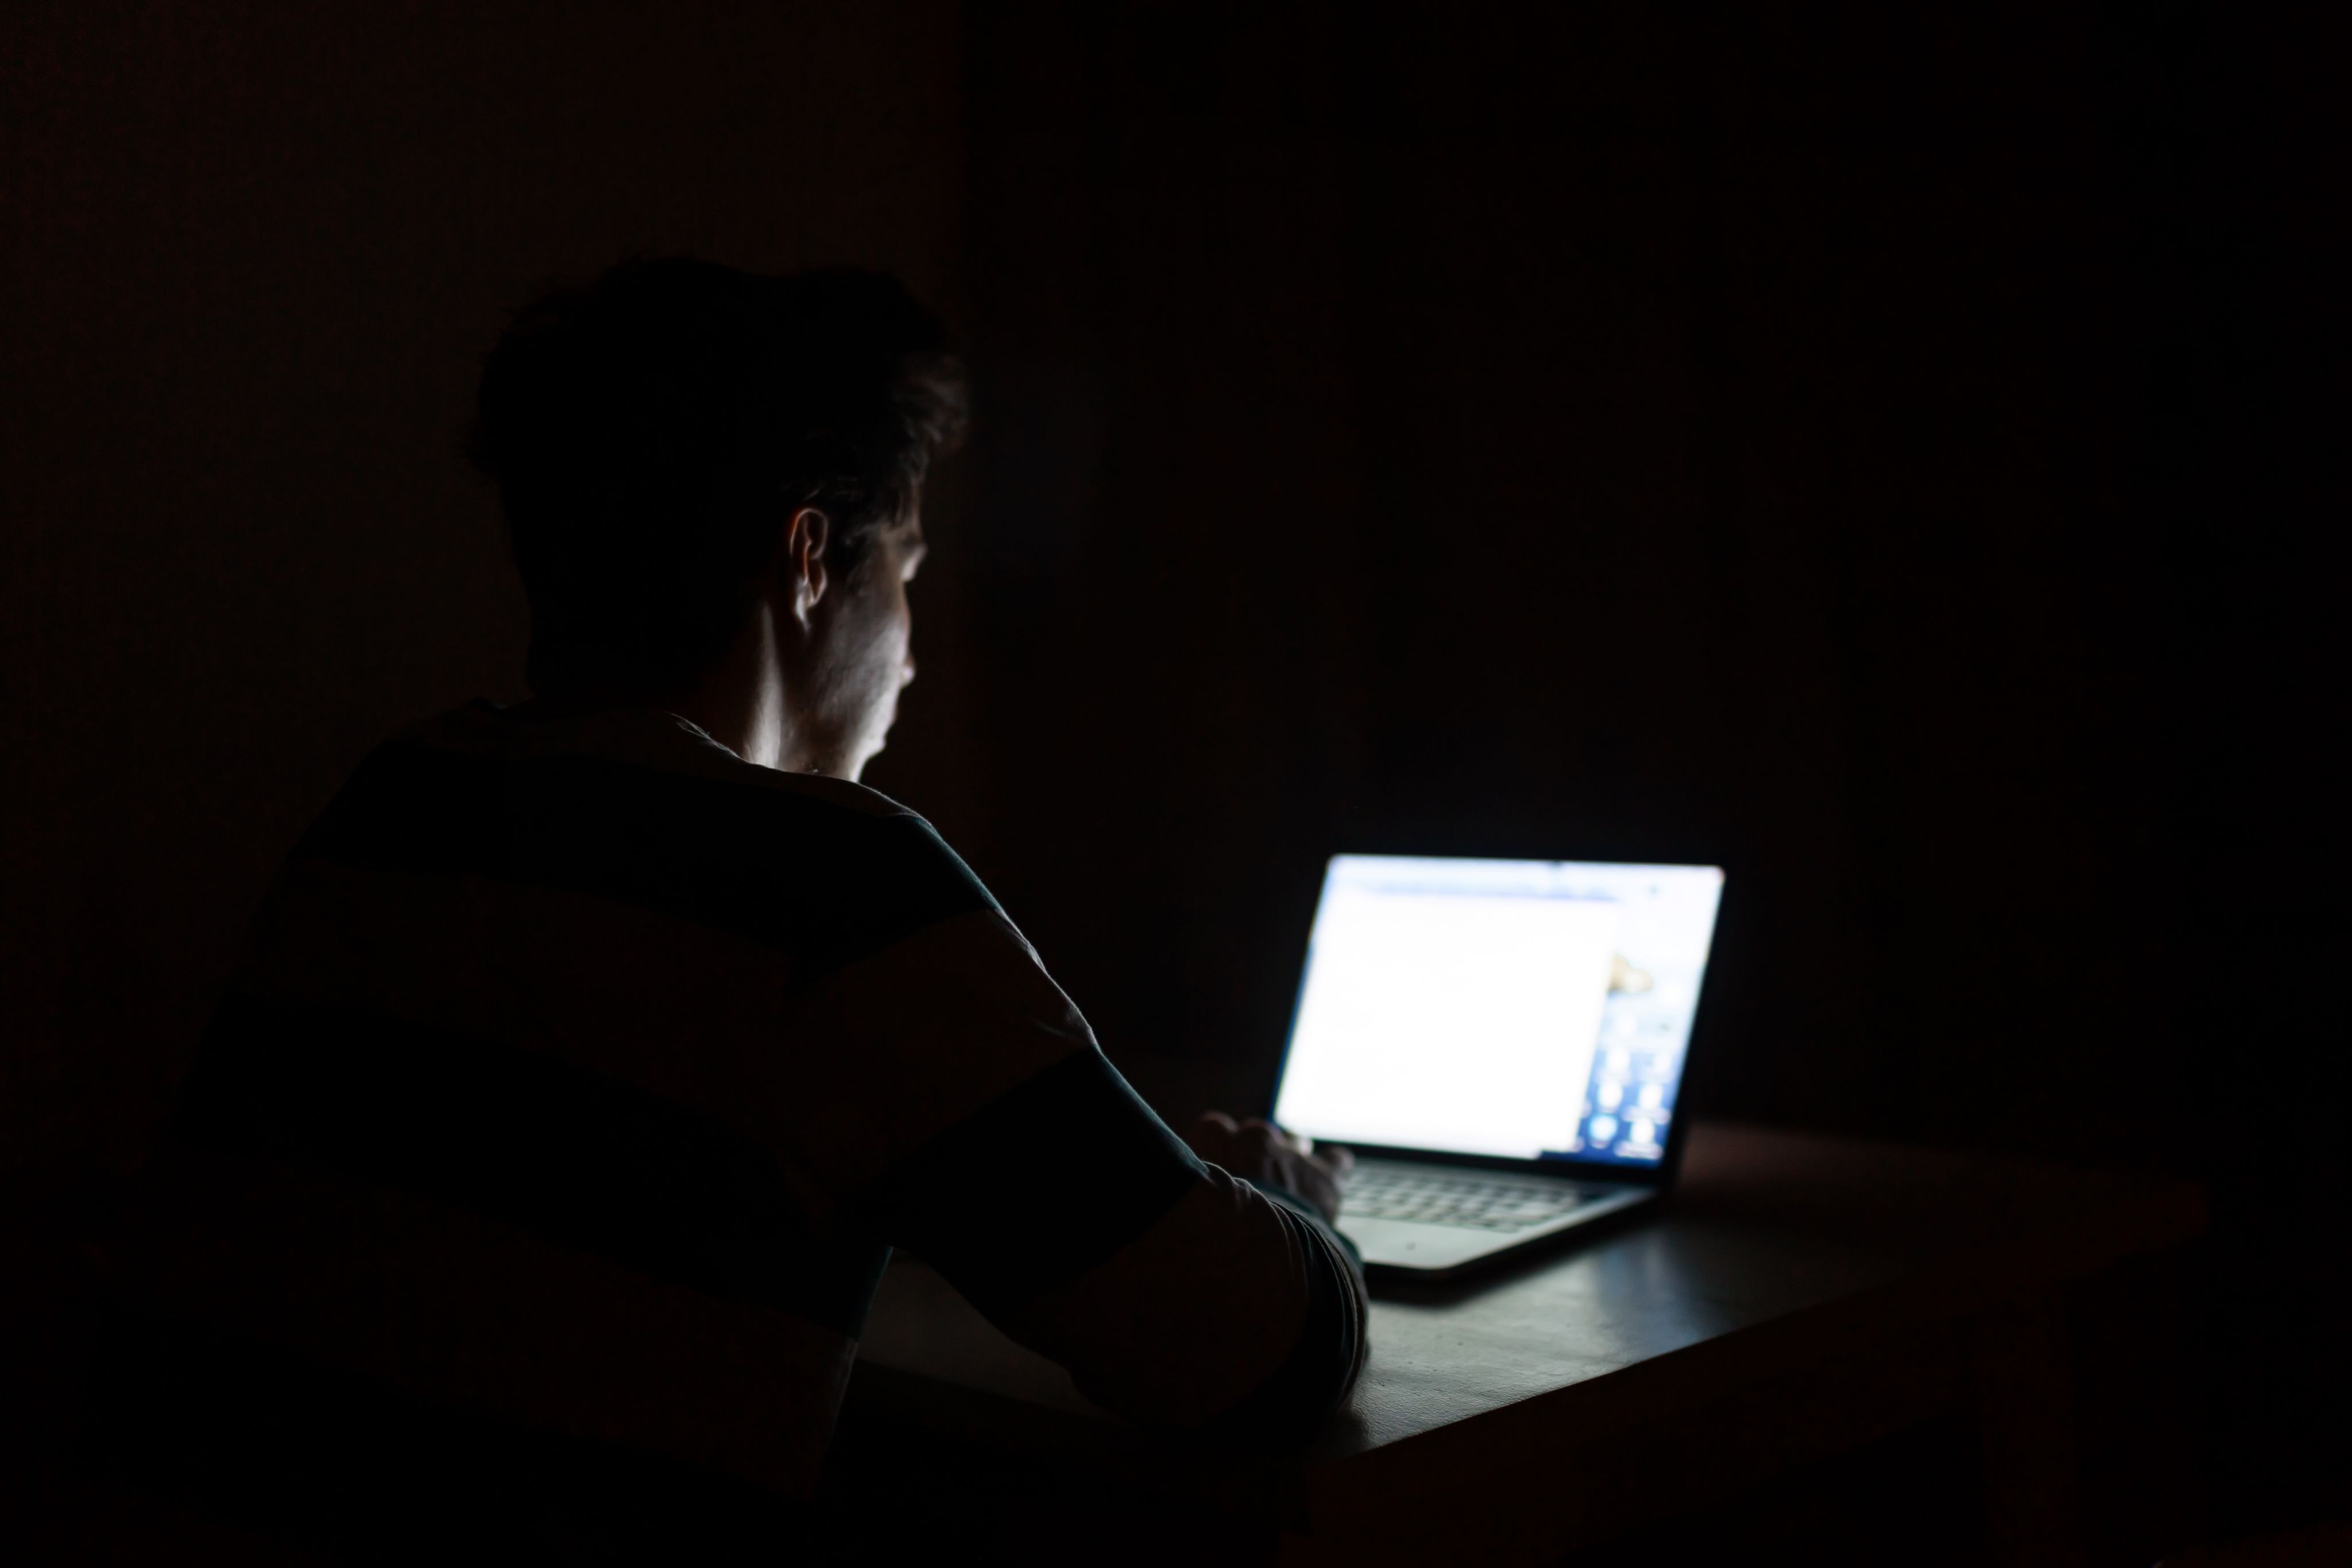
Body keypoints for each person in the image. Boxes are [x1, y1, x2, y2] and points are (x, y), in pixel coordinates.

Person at [86, 258, 1364, 1560]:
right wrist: (1286, 1207)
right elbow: (1258, 1352)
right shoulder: (836, 888)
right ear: (810, 560)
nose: (913, 655)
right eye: (905, 574)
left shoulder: (397, 803)